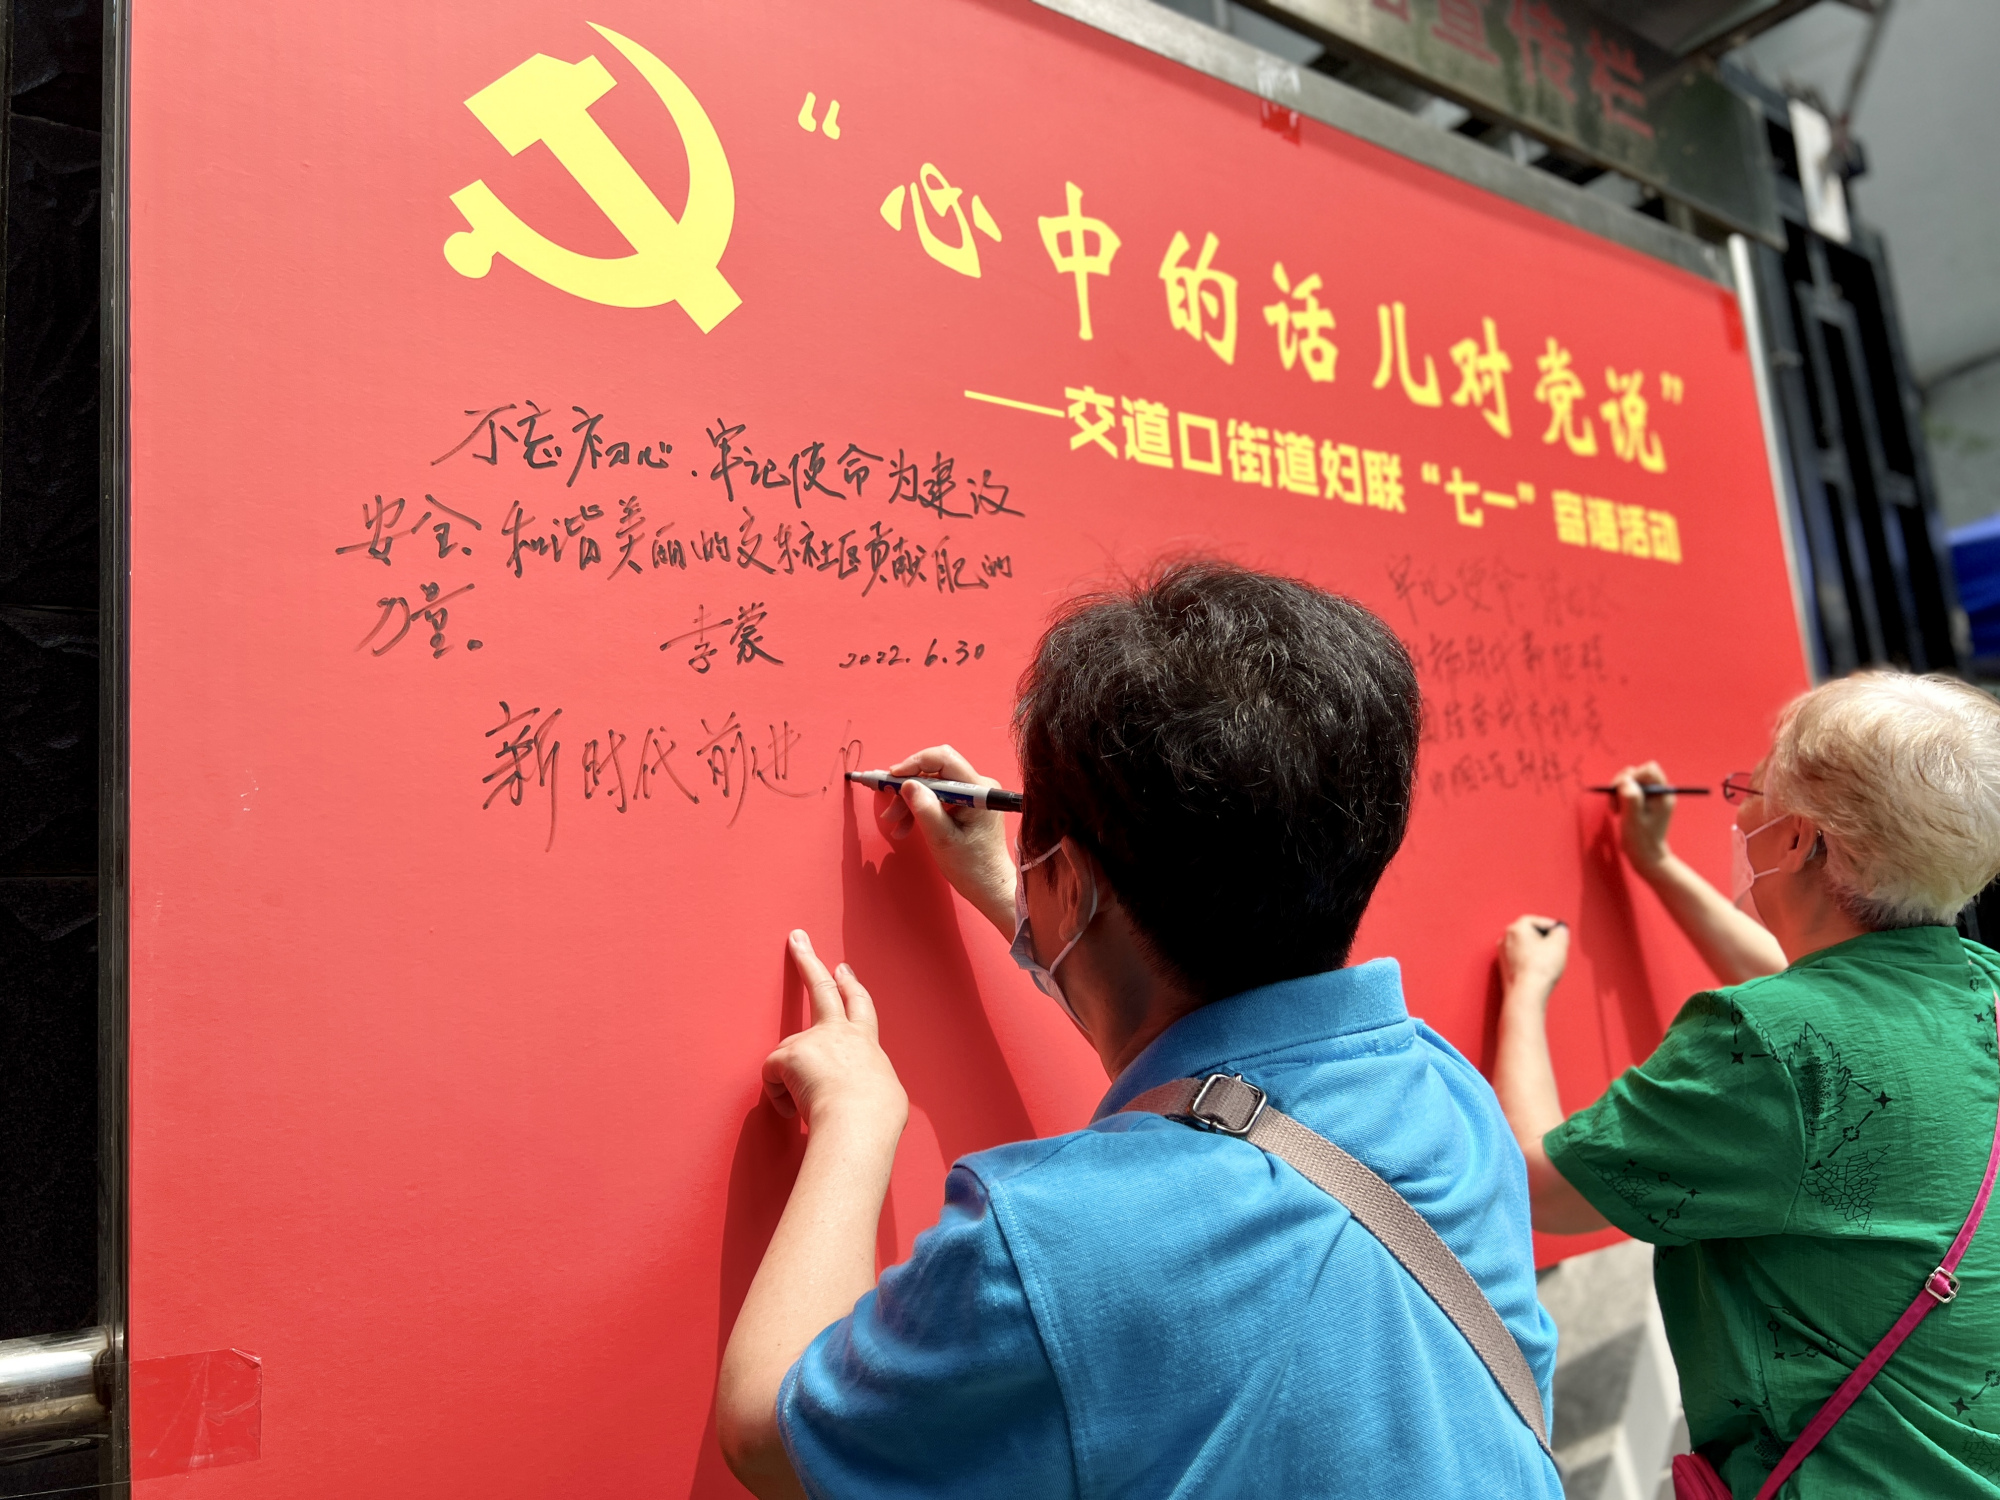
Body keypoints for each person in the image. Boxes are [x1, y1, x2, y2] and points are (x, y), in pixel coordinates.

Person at [715, 561, 1564, 1498]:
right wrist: (1023, 895)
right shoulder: (1448, 1098)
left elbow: (767, 1432)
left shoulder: (1045, 1245)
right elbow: (1220, 1091)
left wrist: (856, 1116)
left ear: (1073, 883)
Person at [1493, 670, 2000, 1495]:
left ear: (1799, 840)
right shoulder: (1981, 989)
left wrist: (1525, 992)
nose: (1738, 814)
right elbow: (1818, 1007)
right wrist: (1656, 866)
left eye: (1750, 791)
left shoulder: (1768, 1044)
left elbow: (1536, 1185)